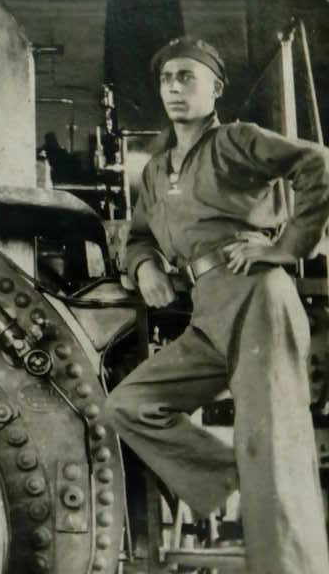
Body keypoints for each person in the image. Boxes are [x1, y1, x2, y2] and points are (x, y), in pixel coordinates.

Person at [103, 36, 329, 573]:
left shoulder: (236, 141)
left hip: (256, 298)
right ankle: (231, 480)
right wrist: (145, 267)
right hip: (207, 312)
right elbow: (137, 237)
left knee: (271, 445)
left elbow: (318, 163)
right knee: (129, 406)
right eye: (167, 79)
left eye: (188, 77)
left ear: (215, 88)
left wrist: (285, 247)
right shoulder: (156, 173)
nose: (175, 88)